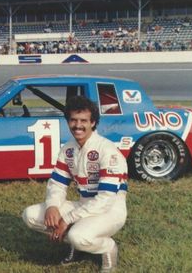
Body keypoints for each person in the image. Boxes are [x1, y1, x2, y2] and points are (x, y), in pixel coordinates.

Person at [22, 96, 128, 272]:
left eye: (84, 121)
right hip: (83, 203)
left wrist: (68, 220)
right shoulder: (68, 149)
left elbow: (106, 198)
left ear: (93, 123)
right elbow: (57, 183)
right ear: (68, 121)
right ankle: (75, 243)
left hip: (110, 209)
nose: (78, 125)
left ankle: (107, 247)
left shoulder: (107, 150)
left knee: (78, 236)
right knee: (30, 215)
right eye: (73, 120)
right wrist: (52, 206)